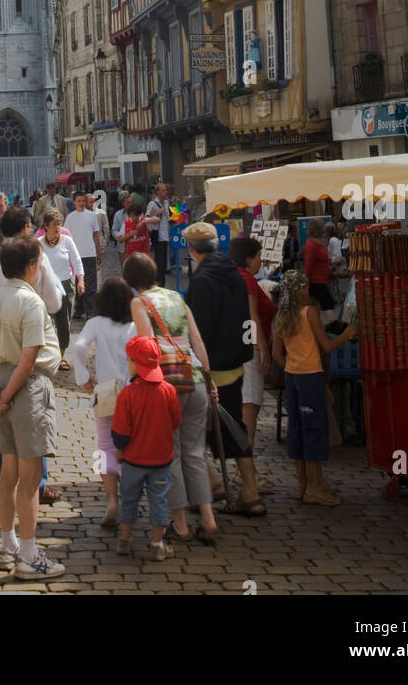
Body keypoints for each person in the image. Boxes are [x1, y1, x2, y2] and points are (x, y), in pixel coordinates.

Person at [0, 237, 65, 581]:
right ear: (31, 266)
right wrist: (7, 395)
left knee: (6, 474)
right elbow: (29, 360)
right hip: (25, 388)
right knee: (30, 478)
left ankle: (8, 545)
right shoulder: (31, 302)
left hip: (2, 380)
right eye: (40, 262)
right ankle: (29, 555)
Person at [125, 251, 219, 544]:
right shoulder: (177, 297)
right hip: (194, 378)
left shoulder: (140, 302)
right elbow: (197, 339)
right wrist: (208, 377)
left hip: (167, 384)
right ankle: (208, 518)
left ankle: (179, 524)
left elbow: (147, 346)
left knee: (172, 454)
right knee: (195, 453)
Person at [183, 219, 266, 517]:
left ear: (193, 250)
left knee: (191, 428)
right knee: (236, 429)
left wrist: (197, 362)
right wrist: (246, 351)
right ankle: (251, 493)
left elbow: (199, 329)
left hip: (212, 368)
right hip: (235, 364)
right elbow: (247, 320)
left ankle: (212, 483)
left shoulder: (204, 280)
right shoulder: (234, 273)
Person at [272, 269, 356, 506]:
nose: (309, 290)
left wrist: (291, 365)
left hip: (292, 377)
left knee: (297, 431)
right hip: (310, 376)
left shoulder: (282, 315)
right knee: (315, 432)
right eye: (306, 287)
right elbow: (327, 346)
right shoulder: (308, 313)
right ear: (299, 290)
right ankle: (315, 488)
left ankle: (302, 484)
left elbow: (276, 353)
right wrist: (347, 334)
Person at [111, 335, 182, 560]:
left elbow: (120, 432)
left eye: (129, 360)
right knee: (158, 500)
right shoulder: (168, 390)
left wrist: (120, 450)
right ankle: (157, 543)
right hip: (161, 459)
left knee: (129, 498)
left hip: (133, 459)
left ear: (134, 363)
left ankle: (124, 539)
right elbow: (176, 422)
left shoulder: (127, 394)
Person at [73, 277, 136, 528]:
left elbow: (79, 346)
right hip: (133, 392)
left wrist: (84, 377)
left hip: (106, 392)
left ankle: (112, 501)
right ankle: (131, 500)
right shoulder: (133, 325)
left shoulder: (95, 323)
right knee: (134, 447)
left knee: (105, 447)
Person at [230, 235, 276, 461]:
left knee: (249, 408)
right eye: (258, 256)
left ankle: (244, 466)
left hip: (242, 349)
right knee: (249, 409)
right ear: (248, 259)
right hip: (249, 352)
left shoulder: (240, 277)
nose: (261, 260)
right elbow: (252, 316)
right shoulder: (246, 279)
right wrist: (263, 348)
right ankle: (245, 468)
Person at [38, 210, 84, 371]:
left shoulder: (68, 241)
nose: (58, 228)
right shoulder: (38, 244)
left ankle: (61, 356)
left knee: (64, 322)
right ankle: (48, 355)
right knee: (46, 322)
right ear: (46, 227)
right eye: (54, 225)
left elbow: (77, 261)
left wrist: (81, 281)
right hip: (46, 287)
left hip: (66, 286)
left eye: (59, 224)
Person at [68, 192, 102, 320]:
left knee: (91, 284)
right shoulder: (70, 218)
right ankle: (79, 309)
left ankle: (90, 309)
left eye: (83, 200)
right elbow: (67, 236)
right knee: (77, 283)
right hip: (75, 255)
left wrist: (99, 252)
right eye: (79, 201)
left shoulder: (92, 216)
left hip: (89, 253)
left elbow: (96, 235)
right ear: (74, 202)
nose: (81, 203)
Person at [303, 217, 335, 315]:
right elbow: (309, 264)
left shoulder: (317, 243)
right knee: (327, 305)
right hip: (315, 281)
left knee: (319, 306)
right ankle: (330, 326)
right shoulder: (312, 244)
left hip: (319, 280)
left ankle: (319, 327)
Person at [145, 181, 171, 286]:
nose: (166, 192)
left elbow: (168, 218)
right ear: (158, 192)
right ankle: (158, 286)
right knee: (159, 264)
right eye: (163, 190)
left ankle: (162, 286)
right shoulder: (152, 204)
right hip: (158, 236)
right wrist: (156, 214)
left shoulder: (166, 202)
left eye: (166, 190)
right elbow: (145, 218)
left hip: (165, 236)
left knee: (163, 264)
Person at [111, 191, 131, 270]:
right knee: (125, 270)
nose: (130, 204)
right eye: (128, 202)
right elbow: (114, 230)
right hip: (123, 247)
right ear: (123, 203)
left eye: (131, 202)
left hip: (136, 245)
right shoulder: (118, 214)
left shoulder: (138, 213)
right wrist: (119, 236)